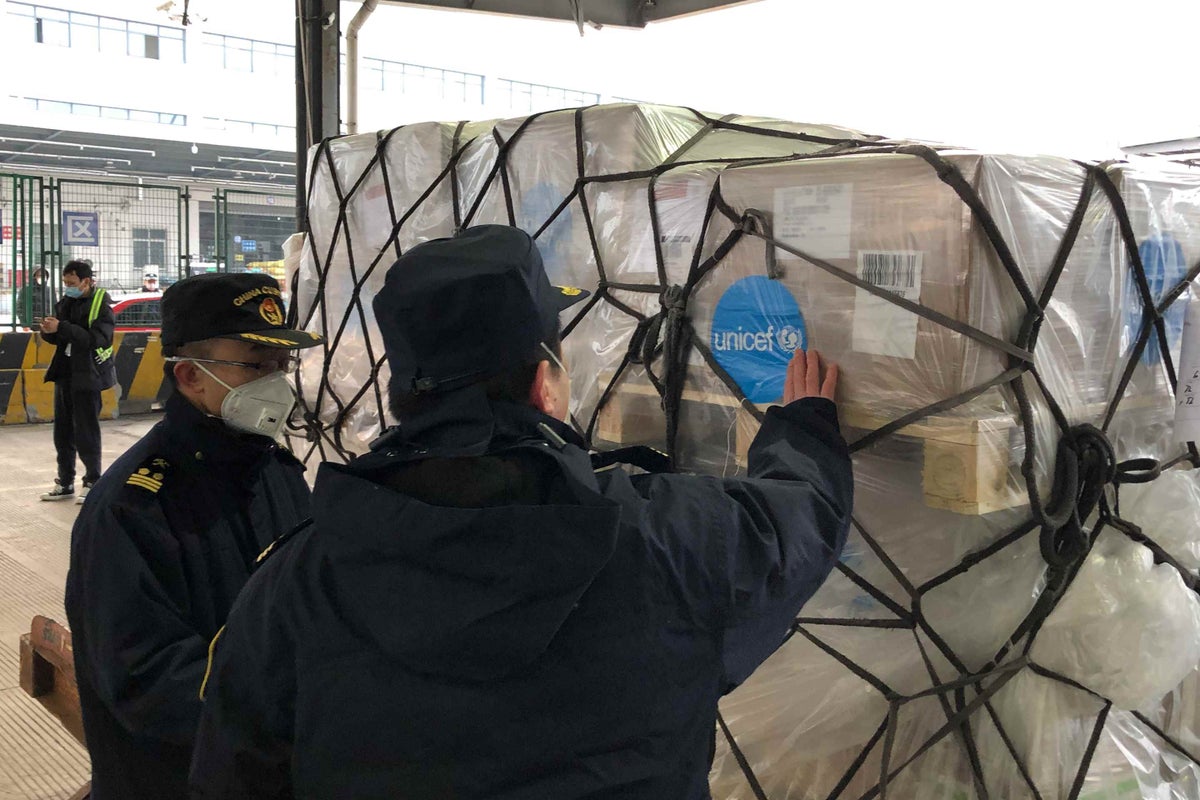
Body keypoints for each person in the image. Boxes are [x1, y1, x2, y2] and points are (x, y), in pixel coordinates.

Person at [190, 225, 853, 800]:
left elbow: (235, 776)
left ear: (403, 397)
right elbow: (798, 523)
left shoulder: (296, 583)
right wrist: (803, 428)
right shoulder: (668, 539)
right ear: (544, 384)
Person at [65, 272, 324, 800]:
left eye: (281, 364)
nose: (278, 382)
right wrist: (301, 707)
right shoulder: (132, 509)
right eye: (256, 364)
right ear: (189, 375)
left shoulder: (276, 473)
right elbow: (147, 679)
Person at [39, 260, 116, 502]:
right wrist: (48, 331)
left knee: (86, 431)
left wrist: (62, 327)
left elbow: (97, 339)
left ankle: (92, 480)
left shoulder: (101, 305)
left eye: (71, 283)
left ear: (86, 281)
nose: (67, 288)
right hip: (65, 373)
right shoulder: (66, 302)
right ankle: (65, 482)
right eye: (65, 283)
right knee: (62, 432)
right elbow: (60, 337)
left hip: (88, 375)